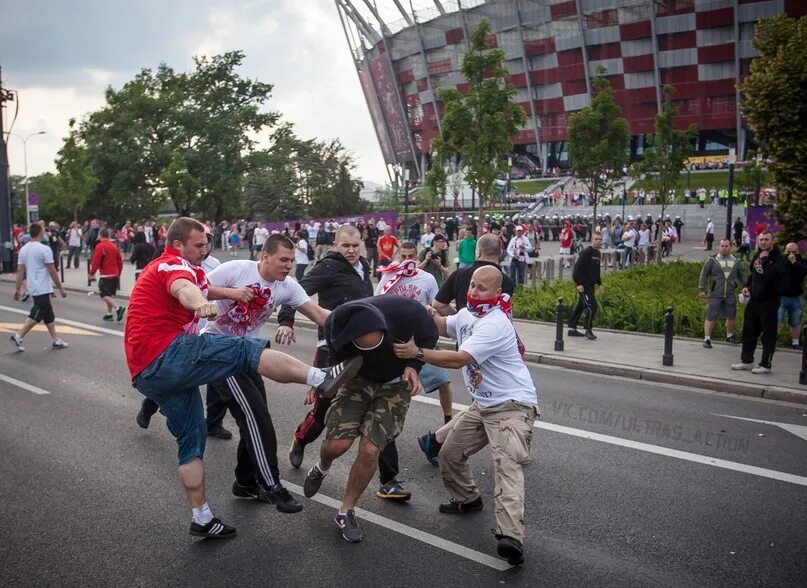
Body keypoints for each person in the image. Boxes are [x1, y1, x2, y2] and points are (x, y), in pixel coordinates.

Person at [124, 217, 361, 539]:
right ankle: (321, 379)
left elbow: (203, 284)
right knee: (248, 356)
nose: (205, 250)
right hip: (170, 353)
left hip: (148, 373)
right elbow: (185, 288)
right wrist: (202, 305)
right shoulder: (170, 265)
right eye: (198, 245)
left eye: (206, 244)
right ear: (177, 244)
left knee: (191, 443)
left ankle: (202, 517)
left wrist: (361, 324)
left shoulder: (272, 283)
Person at [394, 266, 538, 566]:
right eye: (472, 286)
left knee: (506, 465)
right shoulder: (468, 314)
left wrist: (416, 353)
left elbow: (460, 359)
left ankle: (511, 537)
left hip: (512, 406)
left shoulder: (496, 323)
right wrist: (421, 311)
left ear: (497, 293)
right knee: (449, 454)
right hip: (482, 406)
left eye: (481, 288)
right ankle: (468, 500)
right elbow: (445, 324)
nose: (473, 292)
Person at [201, 234, 333, 514]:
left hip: (250, 354)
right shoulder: (237, 270)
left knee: (258, 415)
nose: (288, 266)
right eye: (283, 260)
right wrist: (229, 295)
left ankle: (245, 484)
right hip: (219, 352)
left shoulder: (287, 286)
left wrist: (358, 320)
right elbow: (198, 288)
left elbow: (320, 315)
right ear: (266, 257)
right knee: (256, 419)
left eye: (292, 261)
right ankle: (272, 485)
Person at [302, 296, 438, 543]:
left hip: (394, 385)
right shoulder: (336, 322)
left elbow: (430, 337)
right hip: (357, 380)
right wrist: (318, 383)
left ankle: (345, 511)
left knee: (370, 448)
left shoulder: (407, 311)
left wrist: (413, 364)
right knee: (338, 445)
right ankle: (321, 468)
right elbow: (330, 359)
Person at [376, 244, 453, 428]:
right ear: (398, 255)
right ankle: (390, 426)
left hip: (421, 340)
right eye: (403, 255)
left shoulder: (426, 279)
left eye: (411, 256)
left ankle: (448, 420)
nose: (407, 259)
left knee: (443, 381)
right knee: (401, 388)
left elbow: (437, 306)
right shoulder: (389, 276)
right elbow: (375, 303)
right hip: (395, 342)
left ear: (417, 258)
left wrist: (433, 313)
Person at [731, 232, 788, 374]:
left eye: (766, 240)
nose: (763, 242)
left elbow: (771, 276)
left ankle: (765, 364)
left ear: (772, 241)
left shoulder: (778, 258)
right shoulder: (758, 255)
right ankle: (746, 361)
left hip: (769, 301)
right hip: (754, 299)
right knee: (749, 331)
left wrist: (765, 260)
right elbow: (753, 274)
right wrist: (747, 287)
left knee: (768, 334)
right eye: (761, 239)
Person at [10, 222, 69, 352]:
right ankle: (18, 335)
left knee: (48, 314)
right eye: (43, 231)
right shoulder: (44, 249)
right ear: (40, 233)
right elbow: (52, 270)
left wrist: (18, 289)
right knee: (37, 314)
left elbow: (20, 271)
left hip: (33, 286)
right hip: (41, 287)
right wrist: (60, 288)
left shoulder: (24, 249)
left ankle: (55, 340)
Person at [433, 234, 515, 316]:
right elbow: (504, 311)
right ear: (500, 253)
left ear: (478, 252)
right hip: (494, 327)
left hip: (463, 327)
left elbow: (438, 305)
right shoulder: (507, 282)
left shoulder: (459, 274)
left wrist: (459, 319)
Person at [698, 239, 745, 348]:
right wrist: (701, 289)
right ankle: (707, 338)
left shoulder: (736, 261)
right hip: (715, 293)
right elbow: (703, 274)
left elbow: (741, 275)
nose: (724, 248)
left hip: (730, 293)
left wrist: (748, 286)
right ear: (719, 247)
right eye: (722, 246)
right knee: (710, 316)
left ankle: (730, 336)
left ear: (731, 247)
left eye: (726, 246)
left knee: (731, 315)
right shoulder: (712, 260)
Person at [568, 231, 603, 340]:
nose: (598, 241)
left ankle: (572, 329)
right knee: (592, 306)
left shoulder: (598, 254)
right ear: (592, 240)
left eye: (600, 239)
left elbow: (596, 271)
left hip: (591, 285)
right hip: (583, 285)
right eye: (596, 239)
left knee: (581, 305)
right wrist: (579, 284)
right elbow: (577, 269)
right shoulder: (586, 252)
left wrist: (599, 284)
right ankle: (588, 330)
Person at [88, 229, 126, 322]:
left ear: (100, 236)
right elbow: (119, 261)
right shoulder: (114, 246)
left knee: (104, 295)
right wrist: (119, 273)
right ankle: (109, 314)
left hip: (106, 275)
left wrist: (91, 273)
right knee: (109, 295)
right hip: (115, 274)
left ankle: (118, 308)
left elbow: (96, 261)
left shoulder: (100, 246)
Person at [779, 243, 807, 350]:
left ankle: (795, 343)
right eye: (788, 252)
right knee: (777, 320)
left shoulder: (802, 261)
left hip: (796, 296)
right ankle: (773, 340)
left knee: (795, 321)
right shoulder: (781, 261)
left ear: (798, 252)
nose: (791, 254)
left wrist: (794, 262)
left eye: (794, 252)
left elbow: (804, 271)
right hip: (781, 296)